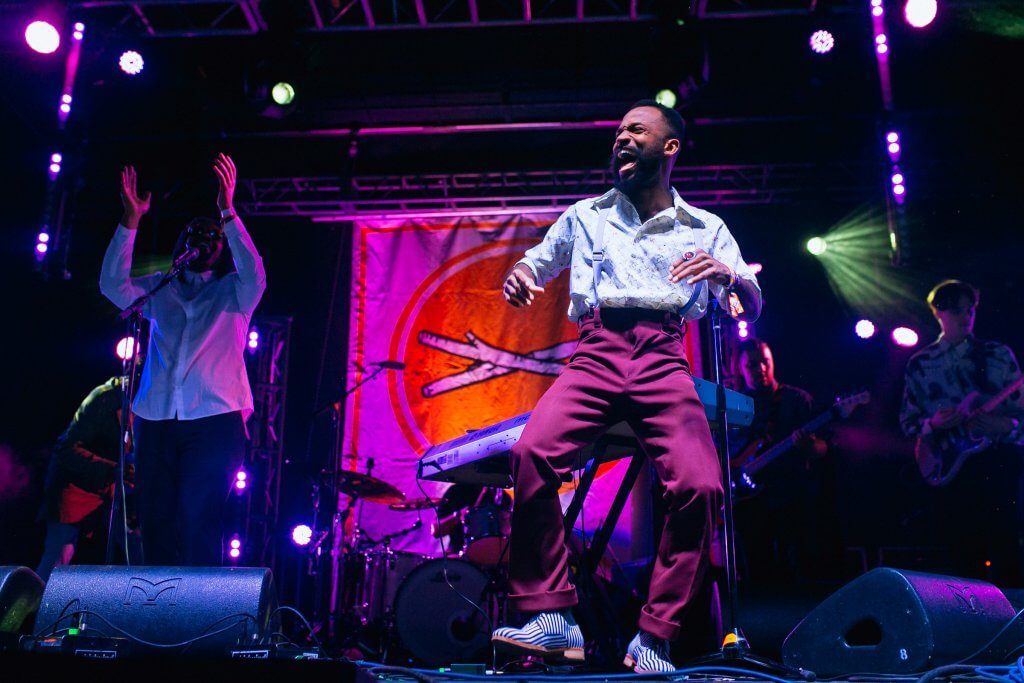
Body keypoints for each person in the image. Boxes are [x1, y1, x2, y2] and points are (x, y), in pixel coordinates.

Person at [491, 100, 761, 672]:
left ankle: (654, 638)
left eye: (636, 130)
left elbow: (750, 303)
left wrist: (729, 276)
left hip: (664, 357)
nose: (621, 138)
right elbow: (536, 263)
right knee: (532, 453)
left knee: (702, 484)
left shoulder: (705, 227)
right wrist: (520, 275)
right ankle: (553, 617)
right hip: (596, 351)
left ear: (669, 147)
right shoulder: (586, 214)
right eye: (617, 132)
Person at [100, 154, 266, 566]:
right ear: (181, 245)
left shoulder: (236, 293)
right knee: (154, 520)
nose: (202, 235)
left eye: (212, 234)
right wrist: (131, 220)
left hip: (215, 420)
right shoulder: (161, 290)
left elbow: (256, 270)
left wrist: (226, 211)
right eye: (194, 231)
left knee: (198, 519)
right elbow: (111, 285)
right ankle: (156, 615)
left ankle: (198, 618)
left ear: (223, 246)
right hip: (156, 419)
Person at [900, 279, 1024, 586]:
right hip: (951, 468)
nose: (965, 317)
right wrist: (934, 424)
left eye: (970, 310)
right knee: (962, 557)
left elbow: (1020, 412)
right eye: (956, 310)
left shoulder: (997, 354)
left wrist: (1008, 426)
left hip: (998, 463)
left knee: (1007, 550)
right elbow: (907, 422)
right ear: (938, 313)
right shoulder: (920, 363)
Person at [728, 338, 832, 585]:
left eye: (765, 362)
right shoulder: (733, 407)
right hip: (749, 504)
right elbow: (723, 455)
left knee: (800, 572)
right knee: (759, 574)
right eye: (752, 365)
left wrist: (808, 447)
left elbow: (824, 448)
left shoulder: (797, 400)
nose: (761, 369)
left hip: (793, 497)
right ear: (741, 369)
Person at [35, 376, 139, 581]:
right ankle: (30, 610)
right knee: (58, 556)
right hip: (75, 486)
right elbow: (68, 450)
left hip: (112, 486)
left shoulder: (148, 402)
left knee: (136, 547)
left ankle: (148, 605)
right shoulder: (104, 397)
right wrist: (115, 470)